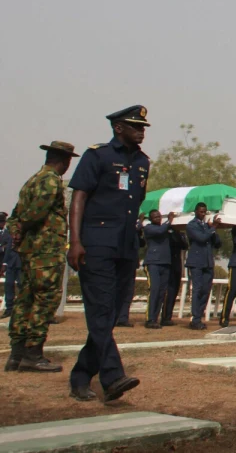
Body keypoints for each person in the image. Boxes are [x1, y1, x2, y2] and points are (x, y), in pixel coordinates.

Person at [67, 106, 152, 403]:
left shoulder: (143, 161)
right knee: (101, 311)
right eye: (135, 126)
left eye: (143, 127)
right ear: (118, 128)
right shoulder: (98, 155)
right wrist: (74, 241)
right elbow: (79, 197)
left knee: (112, 314)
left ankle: (80, 376)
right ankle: (113, 377)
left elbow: (135, 202)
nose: (142, 131)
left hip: (126, 247)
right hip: (97, 244)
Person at [7, 140, 76, 376]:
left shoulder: (32, 180)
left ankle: (16, 354)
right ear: (65, 161)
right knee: (45, 299)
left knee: (24, 299)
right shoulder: (51, 180)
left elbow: (14, 216)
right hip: (45, 250)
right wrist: (24, 228)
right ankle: (32, 354)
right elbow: (36, 212)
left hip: (29, 251)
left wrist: (17, 234)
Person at [185, 202, 221, 331]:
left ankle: (198, 317)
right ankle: (195, 319)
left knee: (205, 291)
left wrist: (214, 230)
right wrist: (213, 228)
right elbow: (201, 238)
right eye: (201, 211)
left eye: (204, 212)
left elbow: (217, 244)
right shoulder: (191, 225)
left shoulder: (208, 226)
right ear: (195, 212)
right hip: (196, 262)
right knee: (197, 290)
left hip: (207, 263)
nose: (203, 214)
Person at [140, 210, 175, 329]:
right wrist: (169, 220)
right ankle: (149, 319)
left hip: (165, 263)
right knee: (154, 290)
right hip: (153, 263)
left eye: (159, 216)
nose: (158, 218)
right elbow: (160, 231)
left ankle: (155, 319)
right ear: (150, 219)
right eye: (155, 217)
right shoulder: (149, 228)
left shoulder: (166, 228)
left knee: (161, 293)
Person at [113, 223, 145, 328]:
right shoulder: (124, 226)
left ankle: (123, 318)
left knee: (128, 292)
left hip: (131, 263)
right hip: (121, 262)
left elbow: (141, 243)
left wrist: (139, 232)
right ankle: (115, 317)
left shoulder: (135, 231)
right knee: (118, 290)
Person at [161, 221, 185, 326]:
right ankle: (164, 317)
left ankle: (168, 316)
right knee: (168, 292)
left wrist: (179, 234)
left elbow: (185, 245)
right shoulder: (167, 232)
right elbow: (173, 242)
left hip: (177, 265)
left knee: (174, 292)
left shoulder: (180, 234)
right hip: (168, 264)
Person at [0, 212, 22, 318]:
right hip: (8, 263)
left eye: (2, 222)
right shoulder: (4, 233)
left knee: (22, 284)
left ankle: (23, 308)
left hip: (19, 261)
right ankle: (9, 309)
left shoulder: (10, 232)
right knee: (8, 285)